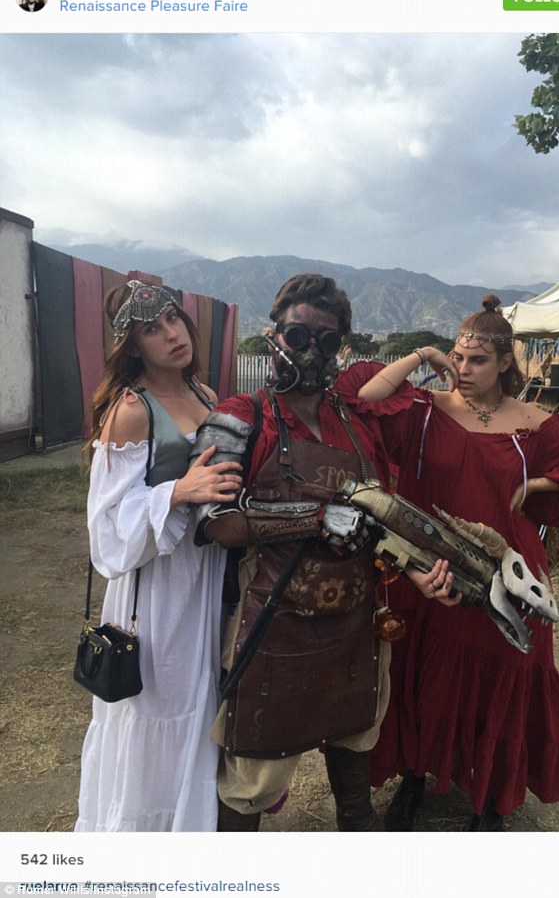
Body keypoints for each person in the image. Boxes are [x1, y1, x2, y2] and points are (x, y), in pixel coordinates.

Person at [341, 294, 559, 831]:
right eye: (458, 356)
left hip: (506, 575)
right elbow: (359, 398)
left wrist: (540, 484)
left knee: (504, 679)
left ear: (504, 363)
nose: (464, 369)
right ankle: (414, 777)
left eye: (478, 360)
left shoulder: (533, 423)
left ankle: (493, 793)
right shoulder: (424, 410)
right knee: (421, 677)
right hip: (430, 570)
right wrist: (423, 355)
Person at [191, 273, 454, 832]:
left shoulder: (356, 421)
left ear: (341, 345)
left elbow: (376, 518)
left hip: (356, 625)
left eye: (327, 339)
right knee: (250, 785)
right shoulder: (242, 415)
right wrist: (313, 518)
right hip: (274, 625)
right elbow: (215, 522)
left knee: (354, 760)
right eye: (298, 335)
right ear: (274, 336)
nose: (312, 350)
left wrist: (416, 569)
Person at [75, 280, 242, 831]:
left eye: (173, 319)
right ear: (133, 345)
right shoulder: (130, 411)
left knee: (197, 703)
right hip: (156, 589)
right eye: (152, 329)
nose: (172, 334)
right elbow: (105, 530)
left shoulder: (206, 396)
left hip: (205, 577)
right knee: (159, 707)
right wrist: (177, 491)